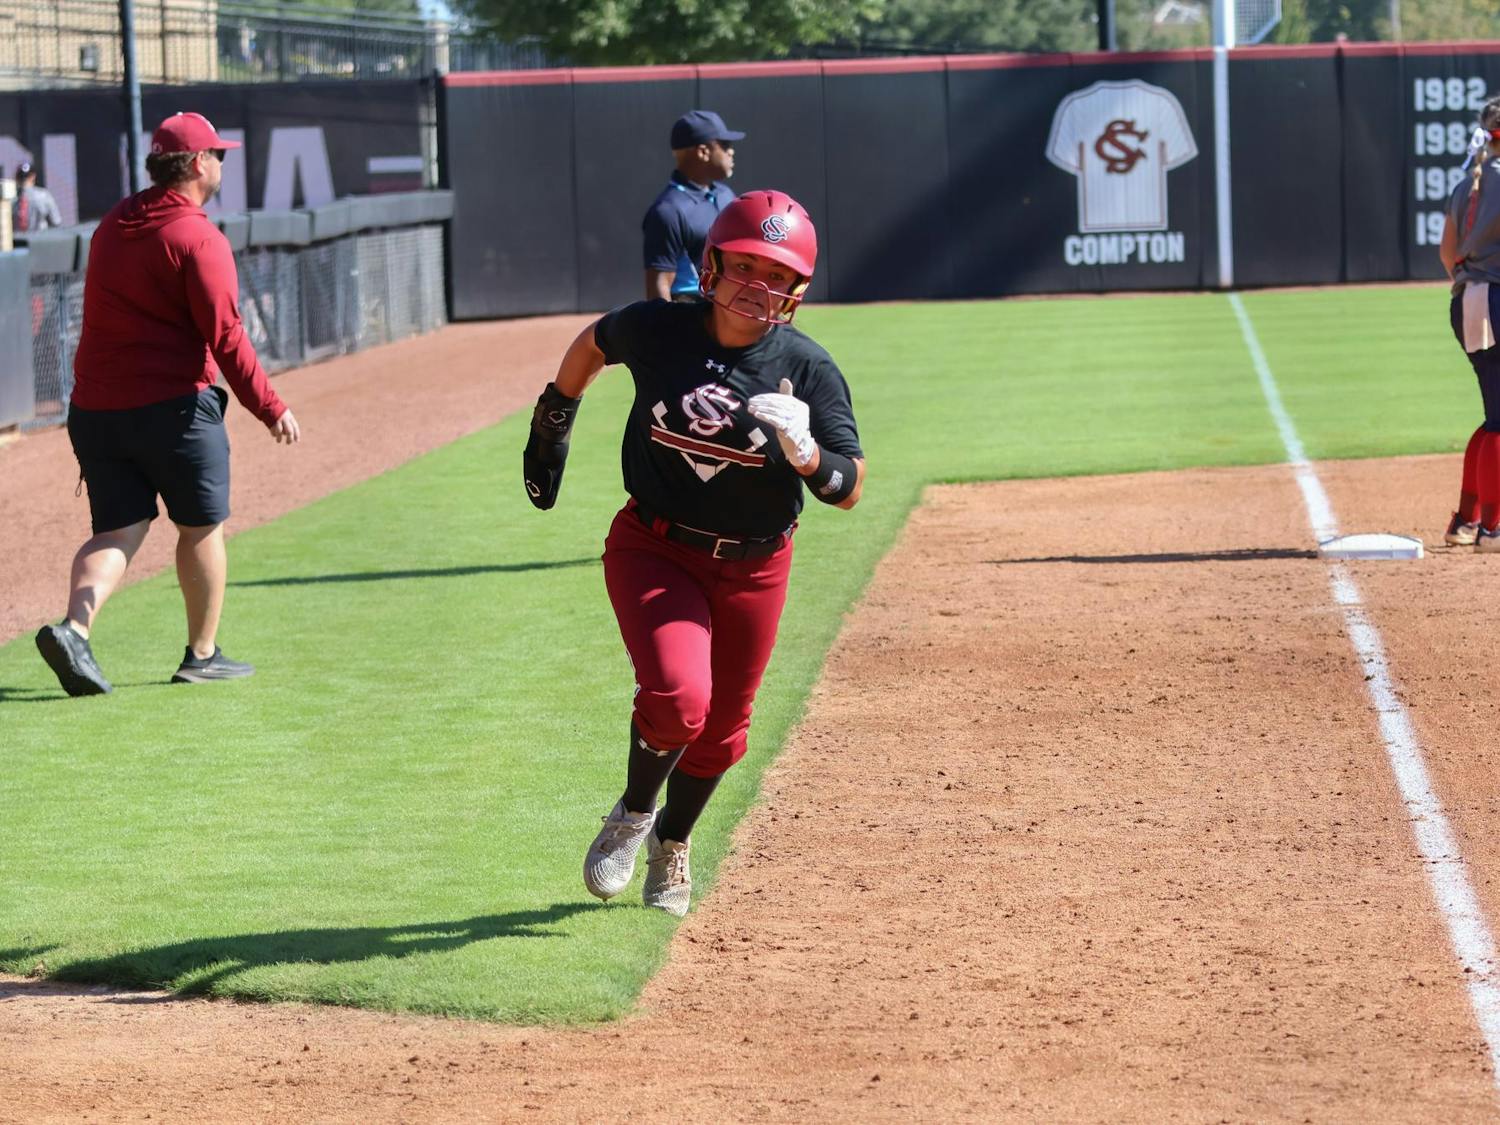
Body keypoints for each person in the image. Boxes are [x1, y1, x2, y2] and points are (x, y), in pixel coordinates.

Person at [524, 190, 866, 917]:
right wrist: (555, 417)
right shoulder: (661, 331)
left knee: (725, 732)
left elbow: (850, 485)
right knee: (681, 700)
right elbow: (595, 342)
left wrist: (807, 455)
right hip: (656, 546)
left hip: (756, 564)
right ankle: (634, 811)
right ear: (710, 266)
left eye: (778, 276)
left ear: (797, 291)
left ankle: (672, 843)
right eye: (745, 266)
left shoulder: (806, 368)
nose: (759, 287)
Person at [35, 111, 301, 697]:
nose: (223, 162)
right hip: (174, 409)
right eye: (219, 154)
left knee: (119, 528)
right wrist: (270, 405)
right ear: (199, 162)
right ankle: (201, 654)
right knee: (202, 527)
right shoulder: (198, 237)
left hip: (97, 411)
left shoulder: (113, 223)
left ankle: (75, 629)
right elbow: (226, 334)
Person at [1439, 95, 1500, 551]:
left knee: (1495, 415)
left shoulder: (1468, 185)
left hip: (1468, 301)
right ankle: (1493, 529)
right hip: (1497, 299)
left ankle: (1466, 521)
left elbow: (1446, 252)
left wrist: (1468, 281)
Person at [641, 110, 743, 302]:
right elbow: (659, 286)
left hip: (730, 309)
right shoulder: (668, 211)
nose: (731, 151)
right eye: (724, 144)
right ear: (703, 152)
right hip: (692, 314)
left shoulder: (725, 195)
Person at [13, 161, 63, 233]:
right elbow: (56, 221)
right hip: (40, 241)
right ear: (33, 177)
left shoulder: (9, 199)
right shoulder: (44, 196)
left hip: (17, 242)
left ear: (17, 178)